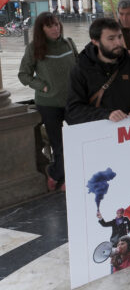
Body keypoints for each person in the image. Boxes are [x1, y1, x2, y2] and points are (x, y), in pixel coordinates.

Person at [18, 12, 77, 191]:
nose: (55, 28)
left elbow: (80, 66)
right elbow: (23, 75)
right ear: (41, 29)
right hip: (49, 104)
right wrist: (42, 86)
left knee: (77, 139)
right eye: (50, 26)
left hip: (72, 101)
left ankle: (54, 172)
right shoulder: (34, 48)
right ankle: (64, 179)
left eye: (57, 24)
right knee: (58, 144)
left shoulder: (68, 43)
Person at [67, 18, 130, 124]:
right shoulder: (81, 69)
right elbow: (74, 109)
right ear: (95, 41)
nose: (118, 42)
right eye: (111, 39)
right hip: (99, 134)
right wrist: (106, 115)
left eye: (120, 36)